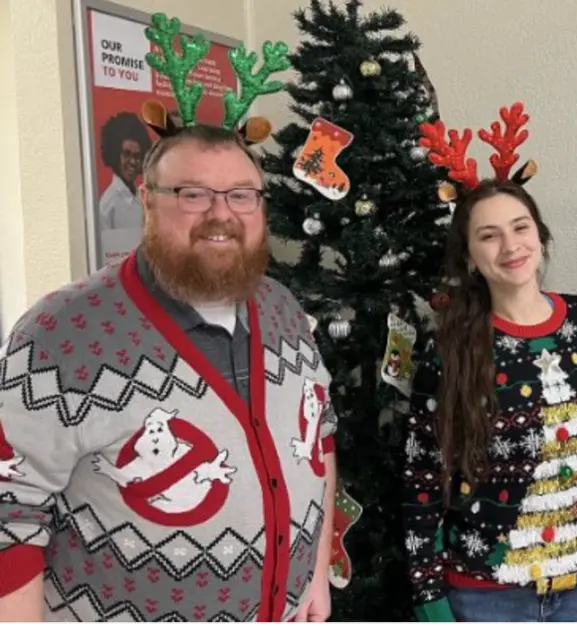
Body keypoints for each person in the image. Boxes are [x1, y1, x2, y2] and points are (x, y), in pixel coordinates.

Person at [0, 18, 336, 621]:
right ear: (147, 200)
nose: (219, 213)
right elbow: (9, 514)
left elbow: (319, 440)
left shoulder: (283, 308)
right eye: (191, 193)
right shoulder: (61, 332)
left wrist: (313, 575)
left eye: (240, 194)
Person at [401, 175, 577, 621]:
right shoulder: (448, 351)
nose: (510, 246)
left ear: (540, 235)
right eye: (489, 235)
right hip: (487, 594)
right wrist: (428, 592)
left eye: (520, 227)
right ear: (469, 258)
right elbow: (422, 477)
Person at [98, 111, 152, 230]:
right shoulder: (107, 206)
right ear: (115, 154)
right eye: (127, 154)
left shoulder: (142, 197)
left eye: (137, 156)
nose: (132, 162)